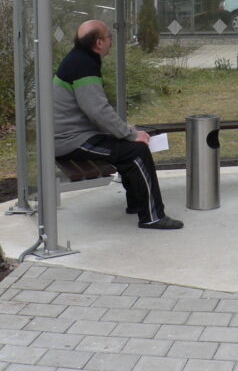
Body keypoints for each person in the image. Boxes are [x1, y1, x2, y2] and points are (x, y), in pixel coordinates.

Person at [53, 19, 183, 230]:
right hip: (70, 140)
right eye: (109, 37)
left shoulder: (79, 58)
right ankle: (152, 216)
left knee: (128, 147)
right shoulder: (84, 65)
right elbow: (97, 111)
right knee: (137, 151)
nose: (111, 41)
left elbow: (95, 111)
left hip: (73, 135)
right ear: (98, 43)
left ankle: (136, 204)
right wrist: (130, 134)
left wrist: (126, 131)